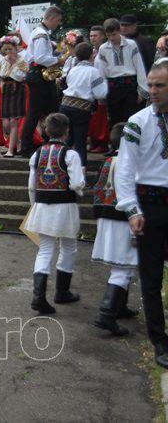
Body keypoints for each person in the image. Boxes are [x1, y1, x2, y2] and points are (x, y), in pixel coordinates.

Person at [114, 60, 168, 367]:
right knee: (151, 275)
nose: (153, 91)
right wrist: (131, 209)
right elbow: (124, 169)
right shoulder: (138, 122)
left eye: (160, 85)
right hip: (150, 203)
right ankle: (159, 340)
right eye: (150, 85)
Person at [24, 113, 85, 314]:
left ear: (46, 131)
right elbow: (77, 183)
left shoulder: (37, 154)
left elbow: (31, 185)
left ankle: (38, 297)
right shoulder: (71, 154)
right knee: (69, 247)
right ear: (67, 131)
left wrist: (34, 206)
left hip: (42, 206)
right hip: (65, 206)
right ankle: (62, 291)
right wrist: (80, 191)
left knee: (45, 249)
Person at [90, 123, 138, 337]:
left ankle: (120, 306)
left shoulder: (107, 161)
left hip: (105, 216)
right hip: (123, 219)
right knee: (124, 267)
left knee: (122, 264)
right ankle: (106, 313)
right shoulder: (133, 163)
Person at [21, 6, 64, 157]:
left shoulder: (40, 32)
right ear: (51, 18)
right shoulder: (41, 34)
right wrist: (58, 60)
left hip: (39, 75)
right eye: (58, 20)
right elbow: (40, 58)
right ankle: (28, 146)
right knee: (37, 112)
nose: (58, 23)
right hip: (40, 76)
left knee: (48, 110)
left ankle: (48, 141)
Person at [58, 42, 108, 167]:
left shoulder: (72, 69)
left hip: (65, 106)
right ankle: (80, 171)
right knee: (80, 143)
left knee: (67, 140)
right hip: (81, 109)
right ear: (91, 56)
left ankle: (60, 166)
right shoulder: (94, 72)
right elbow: (100, 94)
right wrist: (105, 82)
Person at [95, 18, 148, 128]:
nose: (111, 38)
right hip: (112, 87)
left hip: (130, 86)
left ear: (119, 31)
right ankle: (116, 139)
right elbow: (101, 72)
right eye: (108, 35)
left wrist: (142, 90)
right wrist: (102, 92)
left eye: (114, 34)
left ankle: (131, 139)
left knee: (131, 119)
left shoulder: (131, 44)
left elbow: (139, 66)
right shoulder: (103, 48)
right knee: (115, 120)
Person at [0, 34, 28, 157]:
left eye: (11, 49)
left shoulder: (21, 60)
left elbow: (23, 76)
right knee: (6, 123)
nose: (9, 51)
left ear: (16, 48)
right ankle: (17, 143)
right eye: (6, 49)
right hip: (6, 89)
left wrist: (14, 66)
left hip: (17, 89)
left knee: (14, 120)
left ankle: (10, 150)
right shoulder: (2, 60)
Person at [88, 25, 110, 154]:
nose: (92, 38)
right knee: (95, 117)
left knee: (102, 117)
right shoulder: (91, 52)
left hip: (102, 86)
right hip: (91, 88)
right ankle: (95, 140)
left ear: (103, 36)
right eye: (91, 36)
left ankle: (103, 142)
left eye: (95, 36)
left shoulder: (106, 50)